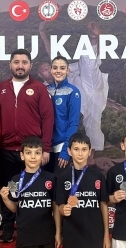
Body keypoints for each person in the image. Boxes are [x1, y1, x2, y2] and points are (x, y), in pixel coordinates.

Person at [0, 49, 54, 243]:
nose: (20, 66)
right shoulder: (0, 88)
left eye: (24, 62)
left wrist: (46, 148)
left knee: (34, 190)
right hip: (6, 150)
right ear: (10, 64)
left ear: (30, 65)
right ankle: (7, 228)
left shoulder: (39, 88)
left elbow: (48, 118)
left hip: (32, 152)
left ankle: (33, 228)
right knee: (9, 188)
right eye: (16, 62)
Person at [39, 21, 108, 164]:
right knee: (90, 122)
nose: (50, 70)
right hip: (80, 106)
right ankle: (87, 157)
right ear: (41, 75)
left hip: (89, 88)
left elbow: (92, 62)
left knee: (88, 61)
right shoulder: (44, 90)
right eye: (45, 70)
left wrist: (43, 33)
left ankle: (93, 38)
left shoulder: (66, 70)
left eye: (49, 67)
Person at [43, 56, 81, 173]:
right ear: (51, 70)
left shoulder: (73, 92)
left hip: (61, 146)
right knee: (45, 182)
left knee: (59, 182)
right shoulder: (45, 90)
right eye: (55, 68)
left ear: (68, 70)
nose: (58, 71)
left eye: (62, 68)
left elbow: (73, 123)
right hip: (45, 147)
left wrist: (65, 151)